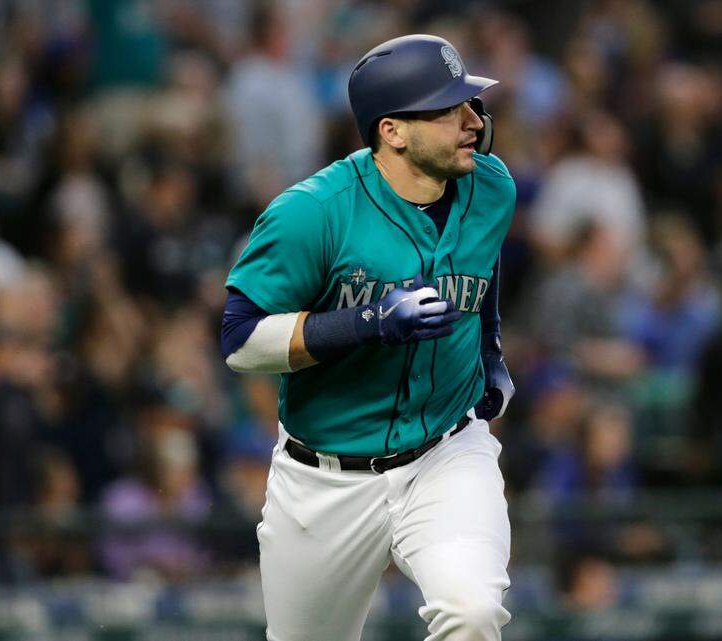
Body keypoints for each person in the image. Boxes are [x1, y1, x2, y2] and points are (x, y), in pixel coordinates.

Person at [220, 34, 517, 641]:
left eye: (471, 103)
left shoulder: (492, 187)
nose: (473, 119)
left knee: (472, 611)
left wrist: (489, 349)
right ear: (393, 131)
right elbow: (240, 341)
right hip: (324, 478)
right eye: (448, 109)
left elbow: (481, 268)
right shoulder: (312, 212)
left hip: (447, 452)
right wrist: (368, 322)